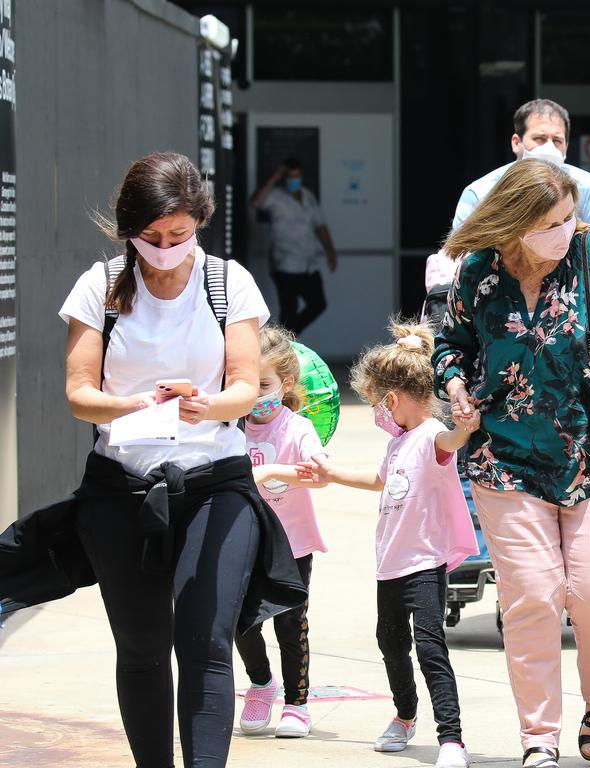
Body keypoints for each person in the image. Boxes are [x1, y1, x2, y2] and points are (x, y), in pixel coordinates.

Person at [0, 152, 307, 768]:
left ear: (199, 222)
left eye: (179, 235)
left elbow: (246, 384)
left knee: (205, 639)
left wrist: (209, 404)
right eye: (151, 238)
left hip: (217, 480)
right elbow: (78, 395)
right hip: (124, 489)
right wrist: (134, 403)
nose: (166, 249)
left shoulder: (229, 282)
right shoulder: (100, 286)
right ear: (128, 231)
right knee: (141, 645)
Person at [432, 159, 590, 766]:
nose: (564, 231)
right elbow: (451, 343)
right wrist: (455, 383)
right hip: (506, 454)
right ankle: (539, 737)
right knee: (532, 596)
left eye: (568, 218)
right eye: (549, 223)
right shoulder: (479, 272)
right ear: (514, 224)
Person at [297, 320, 479, 768]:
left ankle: (451, 738)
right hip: (390, 566)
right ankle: (404, 715)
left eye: (379, 402)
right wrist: (331, 474)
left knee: (430, 645)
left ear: (392, 399)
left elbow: (452, 440)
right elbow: (380, 480)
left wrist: (465, 428)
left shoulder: (430, 435)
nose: (378, 412)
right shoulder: (398, 444)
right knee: (391, 643)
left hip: (423, 562)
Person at [424, 98, 590, 293]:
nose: (549, 147)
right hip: (500, 297)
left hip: (569, 297)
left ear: (566, 146)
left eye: (557, 140)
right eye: (539, 138)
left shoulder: (585, 185)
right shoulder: (481, 192)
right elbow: (460, 257)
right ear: (516, 142)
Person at [236, 325, 329, 739]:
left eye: (264, 385)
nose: (256, 394)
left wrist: (273, 470)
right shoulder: (231, 427)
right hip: (244, 542)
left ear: (286, 383)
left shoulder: (297, 428)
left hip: (291, 543)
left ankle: (296, 703)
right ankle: (260, 682)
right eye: (246, 384)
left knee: (291, 624)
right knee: (241, 621)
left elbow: (318, 473)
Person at [251, 158, 338, 335]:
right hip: (285, 264)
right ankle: (285, 346)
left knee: (318, 304)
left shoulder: (308, 196)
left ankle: (287, 337)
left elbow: (320, 225)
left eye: (296, 176)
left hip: (308, 263)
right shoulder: (275, 196)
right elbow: (256, 202)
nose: (294, 180)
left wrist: (330, 251)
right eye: (290, 177)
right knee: (289, 308)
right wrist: (275, 177)